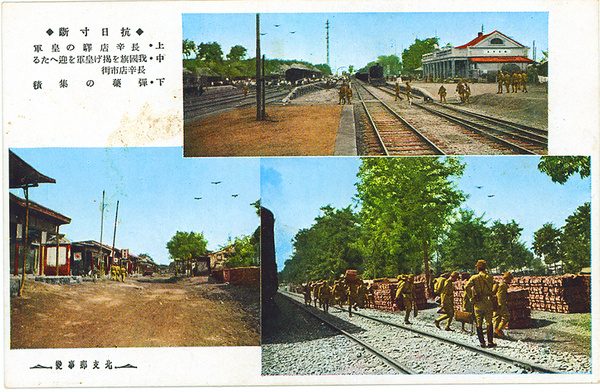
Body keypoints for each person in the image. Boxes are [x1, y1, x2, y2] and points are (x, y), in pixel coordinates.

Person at [464, 260, 496, 348]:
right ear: (485, 268)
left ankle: (482, 343)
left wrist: (471, 297)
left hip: (478, 303)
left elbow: (466, 287)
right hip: (488, 302)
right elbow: (494, 287)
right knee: (489, 322)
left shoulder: (474, 277)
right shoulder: (490, 277)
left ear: (478, 268)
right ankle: (490, 342)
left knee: (479, 323)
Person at [493, 272, 514, 338]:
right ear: (507, 279)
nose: (511, 281)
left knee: (497, 318)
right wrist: (502, 305)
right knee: (506, 316)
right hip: (500, 304)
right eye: (510, 279)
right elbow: (500, 296)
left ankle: (494, 333)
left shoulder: (499, 284)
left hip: (495, 303)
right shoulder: (503, 285)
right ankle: (498, 330)